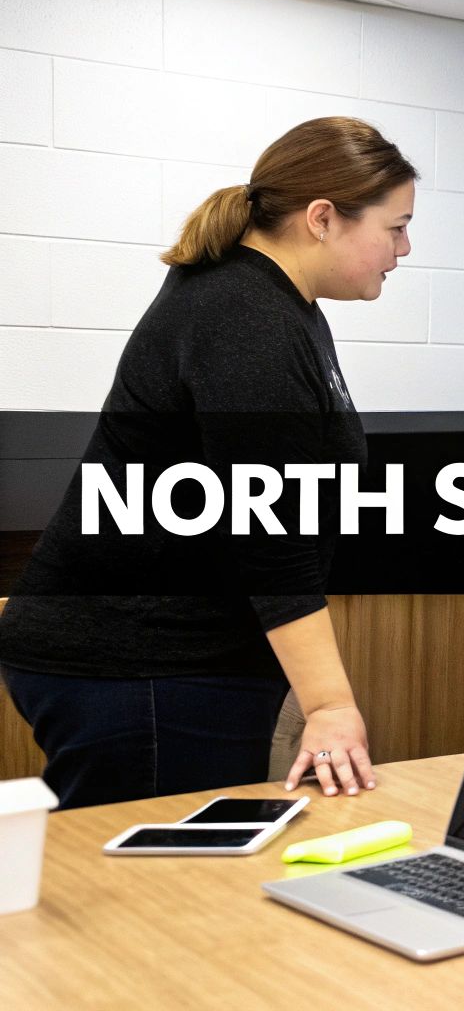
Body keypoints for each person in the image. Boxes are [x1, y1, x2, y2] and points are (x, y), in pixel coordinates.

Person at [0, 117, 417, 809]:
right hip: (140, 662)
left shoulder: (274, 305)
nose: (404, 249)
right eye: (396, 227)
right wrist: (330, 705)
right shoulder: (244, 315)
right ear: (322, 218)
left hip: (168, 655)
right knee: (167, 874)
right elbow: (270, 537)